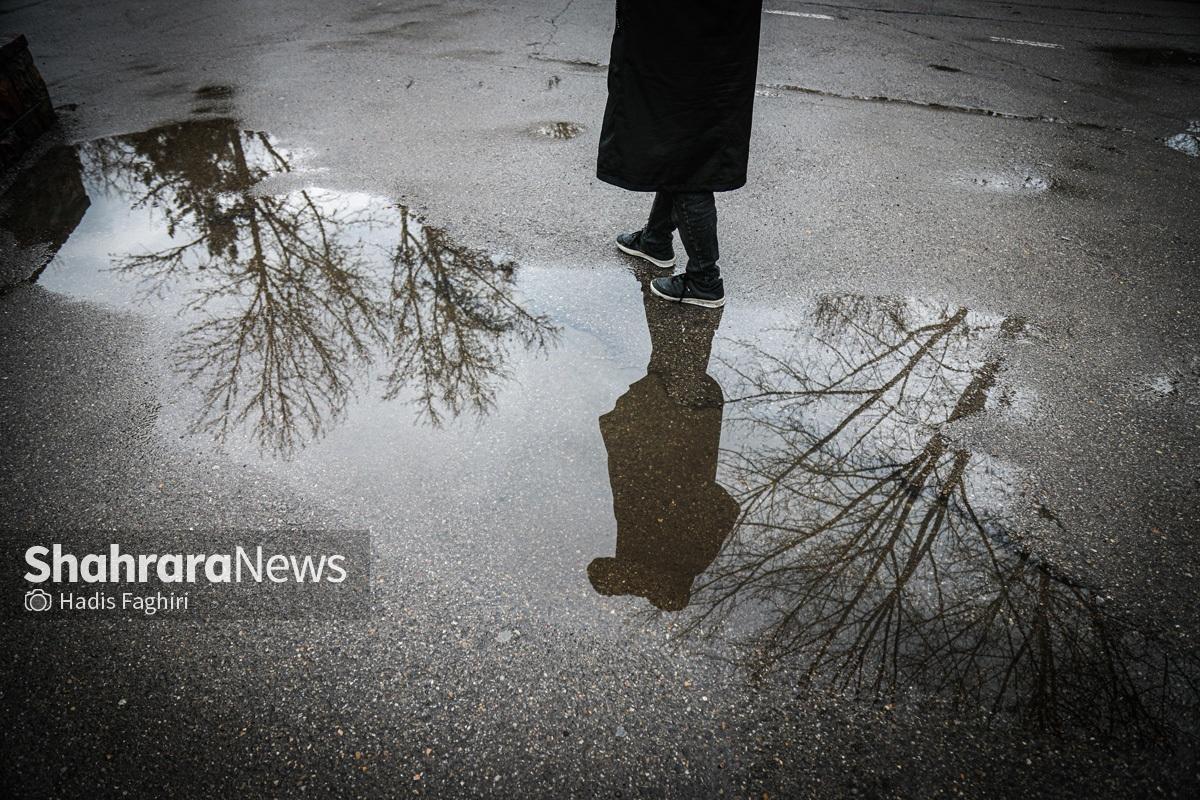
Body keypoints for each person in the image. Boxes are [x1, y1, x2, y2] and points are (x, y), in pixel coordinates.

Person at [588, 269, 739, 611]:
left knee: (672, 368)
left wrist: (693, 491)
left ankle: (672, 281)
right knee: (675, 370)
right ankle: (674, 283)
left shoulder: (673, 560)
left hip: (673, 443)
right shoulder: (673, 560)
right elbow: (725, 508)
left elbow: (725, 508)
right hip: (672, 441)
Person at [597, 2, 764, 309]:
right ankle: (656, 239)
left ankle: (704, 278)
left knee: (688, 151)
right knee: (677, 138)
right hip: (703, 40)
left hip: (687, 40)